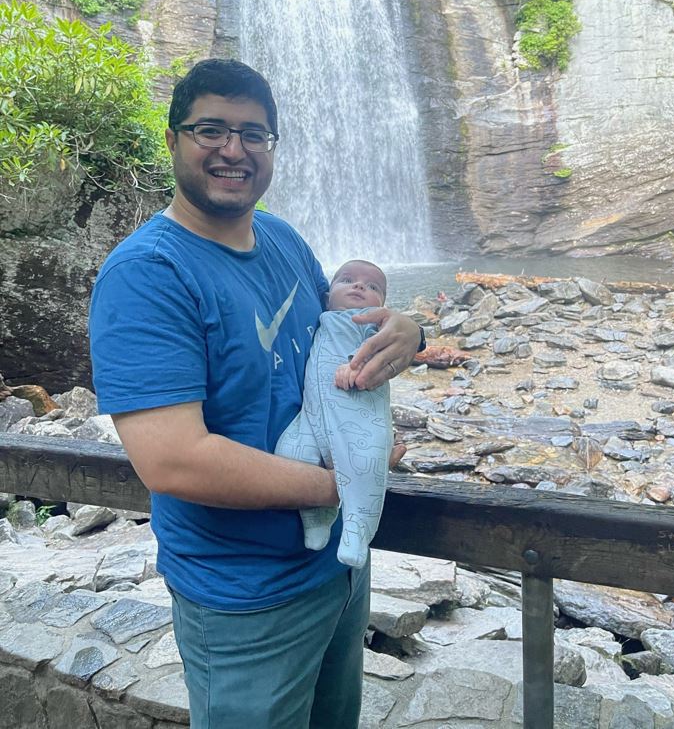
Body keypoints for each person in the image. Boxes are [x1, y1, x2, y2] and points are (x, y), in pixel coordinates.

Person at [88, 58, 425, 729]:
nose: (233, 149)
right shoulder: (148, 275)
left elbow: (342, 333)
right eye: (210, 129)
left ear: (271, 145)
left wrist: (411, 331)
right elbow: (174, 460)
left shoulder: (281, 237)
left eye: (253, 133)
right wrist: (347, 484)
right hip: (244, 599)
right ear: (172, 139)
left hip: (337, 572)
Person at [276, 259, 394, 570]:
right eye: (347, 280)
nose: (359, 286)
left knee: (366, 463)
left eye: (372, 287)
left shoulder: (372, 325)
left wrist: (357, 364)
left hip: (357, 412)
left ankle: (358, 530)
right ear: (327, 297)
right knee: (292, 452)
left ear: (382, 306)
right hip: (313, 413)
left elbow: (380, 352)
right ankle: (317, 518)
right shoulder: (323, 318)